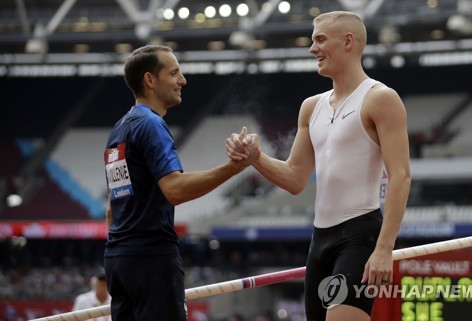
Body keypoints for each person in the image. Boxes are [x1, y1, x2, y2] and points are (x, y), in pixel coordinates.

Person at [226, 11, 411, 321]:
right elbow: (296, 178)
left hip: (360, 236)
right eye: (313, 41)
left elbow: (401, 176)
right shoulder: (311, 107)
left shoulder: (380, 99)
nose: (312, 49)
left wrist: (383, 248)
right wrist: (256, 158)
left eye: (320, 40)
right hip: (319, 242)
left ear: (348, 42)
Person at [104, 45, 257, 321]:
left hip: (118, 260)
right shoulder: (150, 125)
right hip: (151, 258)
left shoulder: (119, 128)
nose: (183, 80)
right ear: (150, 80)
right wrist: (234, 168)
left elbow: (111, 210)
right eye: (174, 73)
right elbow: (174, 190)